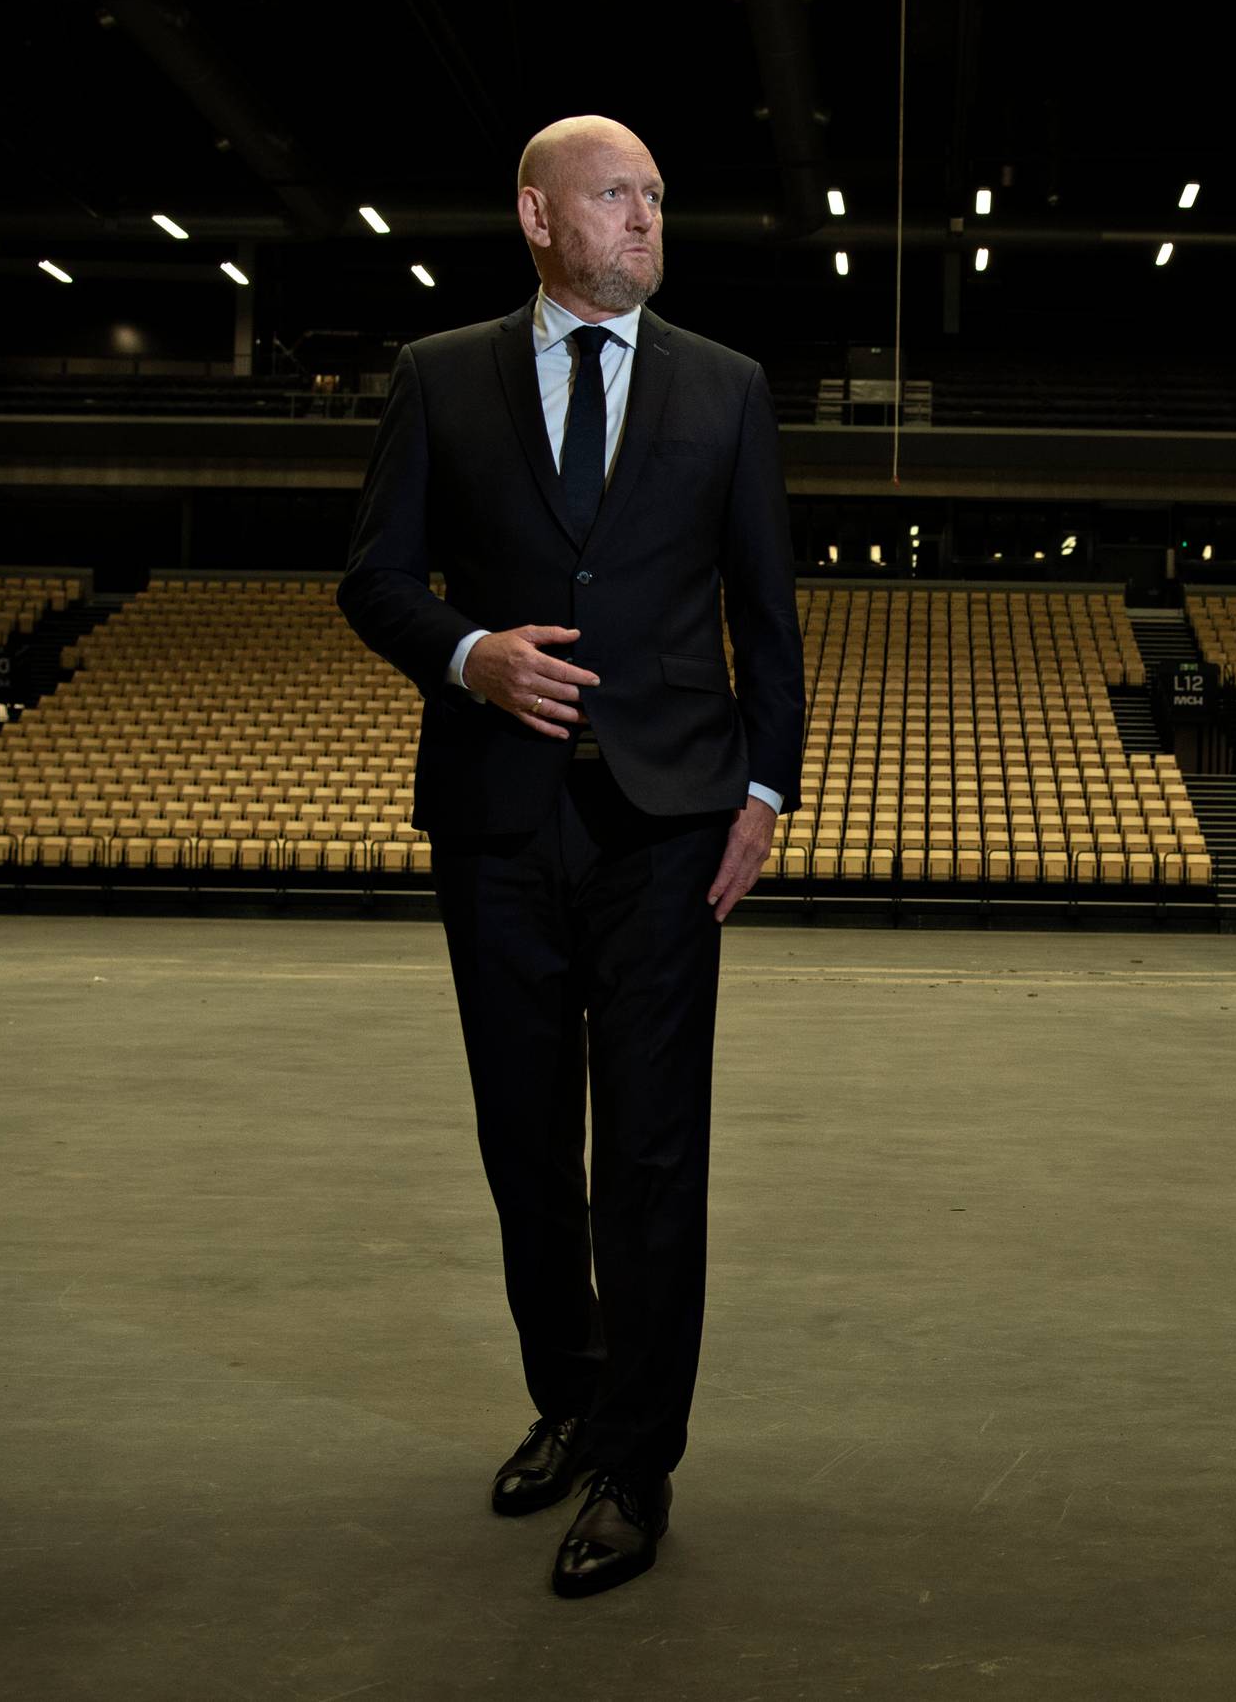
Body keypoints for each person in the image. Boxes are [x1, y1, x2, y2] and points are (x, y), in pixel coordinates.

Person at [337, 113, 805, 1599]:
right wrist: (469, 655)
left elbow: (767, 609)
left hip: (667, 828)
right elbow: (371, 578)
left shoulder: (726, 390)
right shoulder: (439, 374)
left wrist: (770, 790)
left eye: (659, 197)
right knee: (524, 1143)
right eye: (618, 196)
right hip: (498, 816)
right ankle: (568, 1395)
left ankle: (634, 1461)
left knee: (654, 1157)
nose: (648, 219)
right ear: (539, 217)